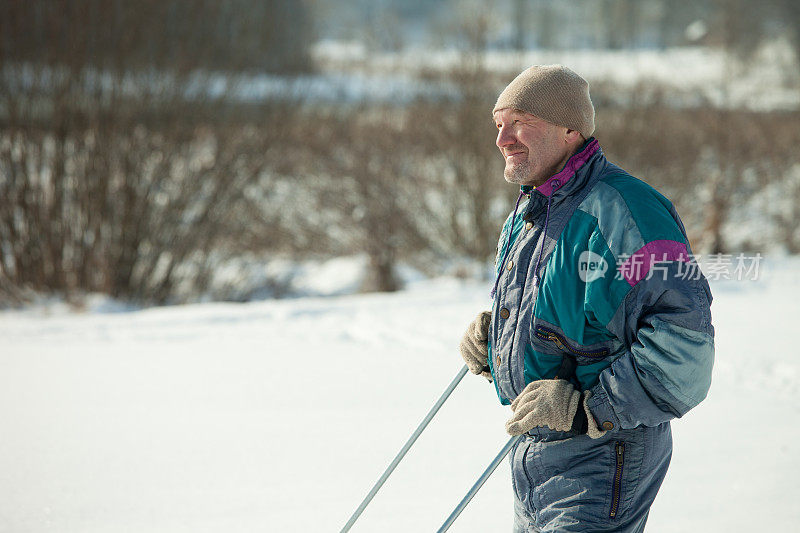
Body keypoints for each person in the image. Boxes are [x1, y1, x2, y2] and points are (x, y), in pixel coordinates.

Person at [458, 65, 714, 532]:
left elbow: (685, 356)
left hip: (605, 454)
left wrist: (586, 408)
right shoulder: (532, 211)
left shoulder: (626, 210)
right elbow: (571, 321)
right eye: (498, 124)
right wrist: (499, 339)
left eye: (520, 121)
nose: (503, 139)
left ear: (570, 128)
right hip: (534, 455)